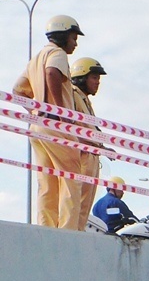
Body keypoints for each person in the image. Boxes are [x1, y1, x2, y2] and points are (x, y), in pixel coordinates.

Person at [12, 15, 85, 229]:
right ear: (63, 36)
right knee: (71, 178)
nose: (75, 43)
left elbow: (17, 91)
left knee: (47, 181)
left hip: (38, 126)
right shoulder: (57, 53)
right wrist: (60, 112)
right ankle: (68, 229)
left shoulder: (36, 58)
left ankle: (47, 227)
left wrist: (37, 112)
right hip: (57, 127)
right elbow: (52, 72)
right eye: (73, 38)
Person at [69, 57, 106, 231]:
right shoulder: (72, 95)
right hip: (81, 157)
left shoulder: (84, 100)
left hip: (91, 156)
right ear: (82, 77)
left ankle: (78, 234)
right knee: (76, 205)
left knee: (84, 208)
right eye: (94, 77)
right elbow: (69, 128)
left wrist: (102, 147)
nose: (98, 82)